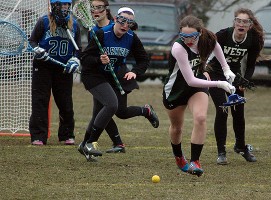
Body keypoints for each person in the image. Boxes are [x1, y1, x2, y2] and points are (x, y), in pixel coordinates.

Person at [79, 7, 159, 161]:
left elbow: (143, 59)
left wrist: (135, 71)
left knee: (114, 112)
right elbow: (85, 59)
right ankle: (90, 143)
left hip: (114, 75)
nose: (125, 25)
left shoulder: (131, 37)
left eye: (129, 22)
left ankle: (84, 145)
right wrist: (98, 60)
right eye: (122, 20)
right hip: (94, 76)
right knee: (111, 105)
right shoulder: (102, 34)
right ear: (115, 19)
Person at [163, 15, 236, 176]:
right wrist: (219, 83)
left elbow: (216, 46)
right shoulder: (178, 48)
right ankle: (179, 157)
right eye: (184, 36)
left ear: (200, 32)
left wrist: (226, 69)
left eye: (192, 36)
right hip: (176, 90)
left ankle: (195, 161)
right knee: (176, 128)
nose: (188, 40)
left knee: (200, 118)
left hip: (198, 86)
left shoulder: (207, 38)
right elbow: (189, 80)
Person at [207, 8, 266, 164]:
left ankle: (240, 146)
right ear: (234, 23)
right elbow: (205, 53)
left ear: (250, 25)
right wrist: (204, 72)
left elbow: (251, 65)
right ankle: (221, 152)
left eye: (245, 22)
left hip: (234, 75)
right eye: (238, 20)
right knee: (222, 110)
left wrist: (244, 80)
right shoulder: (222, 35)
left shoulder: (253, 39)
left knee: (239, 112)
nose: (241, 24)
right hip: (215, 74)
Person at [29, 0, 81, 145]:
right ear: (54, 6)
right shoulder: (44, 21)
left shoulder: (74, 24)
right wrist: (37, 50)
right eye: (61, 5)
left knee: (65, 102)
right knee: (40, 100)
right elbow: (32, 40)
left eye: (67, 5)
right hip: (43, 65)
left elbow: (78, 49)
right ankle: (39, 136)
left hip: (63, 67)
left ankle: (66, 134)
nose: (65, 8)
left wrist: (75, 60)